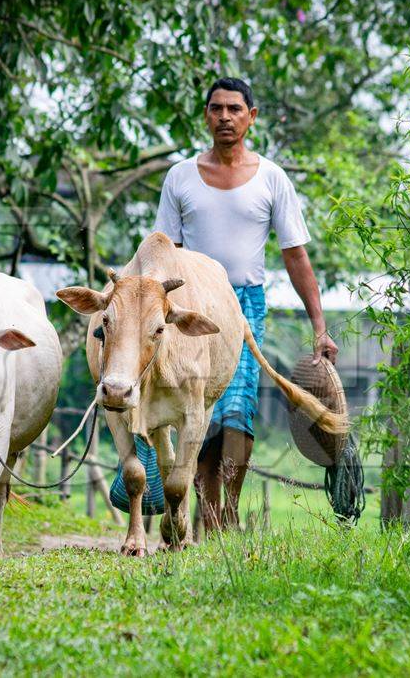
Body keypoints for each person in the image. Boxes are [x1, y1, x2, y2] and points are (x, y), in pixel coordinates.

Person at [150, 77, 338, 531]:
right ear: (206, 116)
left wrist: (319, 326)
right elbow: (163, 252)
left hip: (243, 306)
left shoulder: (272, 178)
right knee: (197, 410)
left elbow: (295, 255)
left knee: (236, 409)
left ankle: (225, 513)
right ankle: (201, 513)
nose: (225, 117)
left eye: (235, 109)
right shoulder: (180, 177)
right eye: (216, 109)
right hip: (189, 303)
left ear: (251, 118)